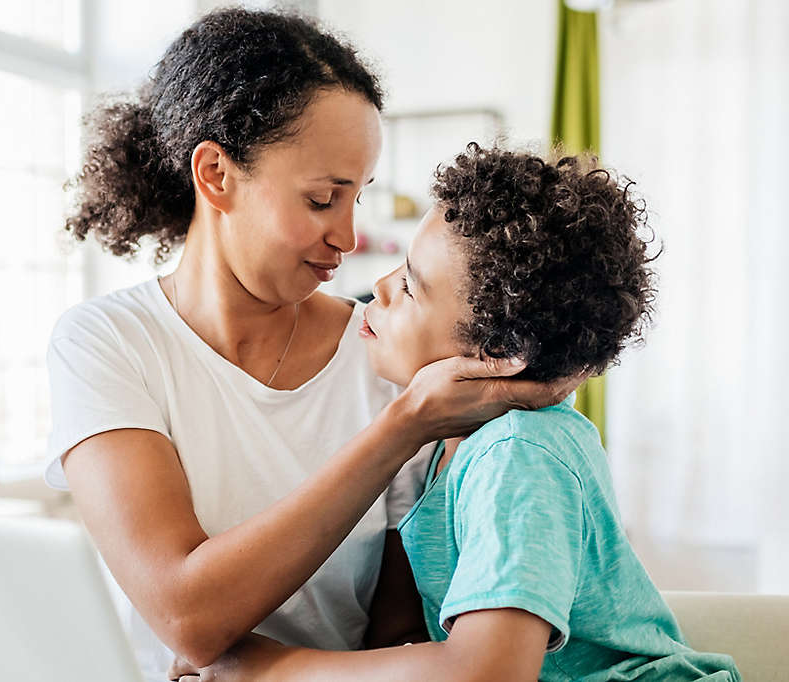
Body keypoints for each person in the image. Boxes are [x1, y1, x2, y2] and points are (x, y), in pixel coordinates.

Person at [46, 9, 577, 681]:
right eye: (324, 198)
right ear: (215, 174)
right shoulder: (107, 344)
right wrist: (402, 426)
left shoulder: (388, 353)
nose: (350, 238)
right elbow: (188, 618)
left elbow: (402, 631)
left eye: (358, 197)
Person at [170, 145, 742, 681]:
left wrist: (268, 668)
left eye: (412, 287)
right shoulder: (462, 443)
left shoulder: (518, 454)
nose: (379, 285)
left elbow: (485, 672)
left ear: (498, 354)